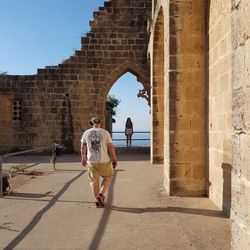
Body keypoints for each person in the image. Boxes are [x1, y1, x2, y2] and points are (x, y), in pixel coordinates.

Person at [81, 116, 117, 208]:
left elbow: (83, 147)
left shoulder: (86, 133)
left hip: (91, 161)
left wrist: (83, 158)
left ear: (91, 123)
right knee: (107, 177)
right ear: (100, 123)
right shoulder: (105, 133)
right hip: (104, 160)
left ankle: (97, 201)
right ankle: (101, 194)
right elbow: (110, 147)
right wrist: (114, 159)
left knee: (94, 182)